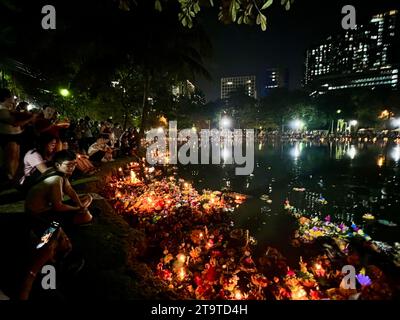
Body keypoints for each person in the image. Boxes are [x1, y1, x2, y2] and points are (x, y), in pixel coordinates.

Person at [25, 150, 93, 226]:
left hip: (49, 207)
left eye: (74, 164)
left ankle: (69, 222)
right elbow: (58, 207)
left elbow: (70, 190)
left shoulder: (58, 171)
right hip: (38, 213)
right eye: (69, 165)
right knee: (57, 223)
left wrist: (80, 205)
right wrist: (77, 209)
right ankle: (47, 235)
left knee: (88, 197)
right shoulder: (56, 179)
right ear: (58, 165)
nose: (72, 168)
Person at [0, 88, 37, 184]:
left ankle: (14, 179)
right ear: (6, 97)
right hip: (8, 137)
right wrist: (30, 119)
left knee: (16, 158)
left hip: (16, 136)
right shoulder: (2, 110)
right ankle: (11, 180)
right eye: (12, 96)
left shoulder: (9, 109)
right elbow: (15, 123)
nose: (14, 98)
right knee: (11, 159)